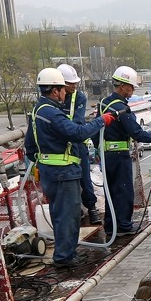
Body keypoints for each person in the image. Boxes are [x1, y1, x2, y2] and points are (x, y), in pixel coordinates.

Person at [24, 68, 116, 267]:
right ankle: (65, 257)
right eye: (63, 89)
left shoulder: (37, 111)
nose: (66, 93)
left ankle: (65, 253)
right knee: (68, 215)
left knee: (60, 214)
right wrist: (102, 120)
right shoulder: (52, 114)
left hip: (51, 172)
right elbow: (77, 133)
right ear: (55, 90)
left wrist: (42, 162)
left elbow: (30, 146)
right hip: (63, 173)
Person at [97, 66, 151, 236]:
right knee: (123, 191)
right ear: (123, 86)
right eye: (131, 87)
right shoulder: (121, 108)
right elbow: (137, 133)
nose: (132, 91)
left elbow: (95, 131)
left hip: (106, 155)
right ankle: (123, 225)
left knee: (111, 192)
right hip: (119, 156)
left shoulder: (103, 103)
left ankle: (110, 225)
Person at [57, 63, 101, 225]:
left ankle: (91, 207)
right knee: (67, 180)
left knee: (84, 178)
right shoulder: (53, 99)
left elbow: (77, 122)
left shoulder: (79, 97)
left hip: (77, 144)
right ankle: (74, 211)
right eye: (71, 83)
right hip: (60, 147)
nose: (74, 86)